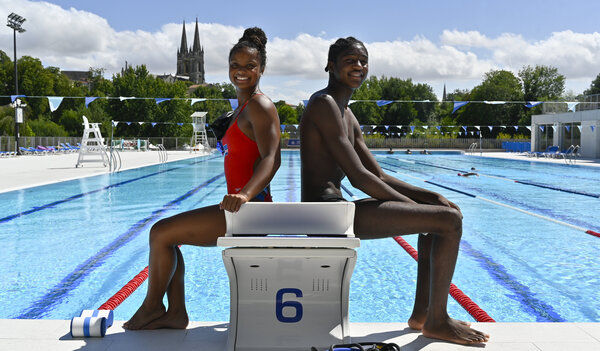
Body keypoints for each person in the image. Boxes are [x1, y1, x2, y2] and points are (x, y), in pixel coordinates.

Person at [300, 37, 489, 345]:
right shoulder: (324, 104)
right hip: (324, 217)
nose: (359, 67)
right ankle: (437, 321)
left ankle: (423, 315)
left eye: (363, 61)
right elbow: (359, 178)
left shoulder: (347, 114)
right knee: (447, 222)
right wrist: (424, 210)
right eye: (350, 61)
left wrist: (430, 198)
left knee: (442, 213)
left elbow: (378, 173)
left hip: (338, 211)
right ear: (331, 66)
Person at [124, 27, 281, 330]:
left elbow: (271, 158)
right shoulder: (242, 109)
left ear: (261, 68)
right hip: (240, 209)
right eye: (235, 65)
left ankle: (153, 308)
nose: (241, 72)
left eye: (249, 66)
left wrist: (246, 194)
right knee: (167, 237)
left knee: (160, 234)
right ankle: (174, 313)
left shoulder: (261, 106)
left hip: (251, 211)